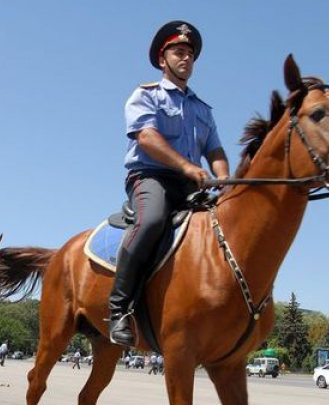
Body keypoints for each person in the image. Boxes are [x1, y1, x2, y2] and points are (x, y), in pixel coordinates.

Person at [108, 20, 230, 346]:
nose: (185, 58)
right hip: (150, 178)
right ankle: (119, 309)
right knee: (151, 221)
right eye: (178, 51)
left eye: (190, 53)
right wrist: (189, 167)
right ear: (163, 59)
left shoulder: (202, 109)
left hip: (191, 186)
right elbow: (147, 138)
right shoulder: (145, 95)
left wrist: (224, 180)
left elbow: (215, 150)